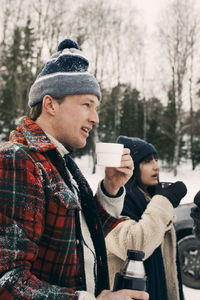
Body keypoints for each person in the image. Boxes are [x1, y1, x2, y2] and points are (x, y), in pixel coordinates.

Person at [0, 39, 149, 300]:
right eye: (86, 105)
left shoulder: (58, 161)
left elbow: (79, 240)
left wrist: (111, 188)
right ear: (50, 104)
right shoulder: (19, 161)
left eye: (96, 108)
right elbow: (7, 281)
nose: (95, 118)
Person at [105, 136, 187, 300]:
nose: (156, 166)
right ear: (131, 165)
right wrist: (164, 201)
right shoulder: (114, 201)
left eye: (156, 159)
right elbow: (134, 247)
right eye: (147, 161)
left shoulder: (151, 201)